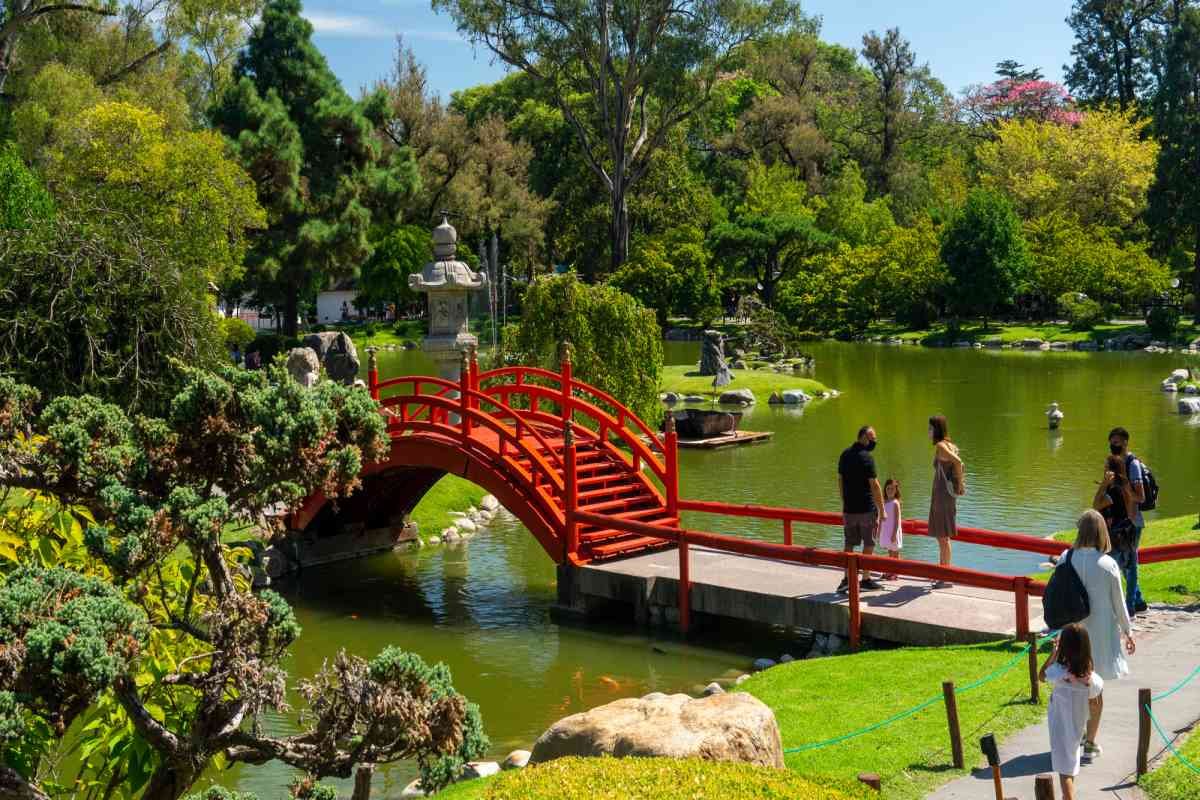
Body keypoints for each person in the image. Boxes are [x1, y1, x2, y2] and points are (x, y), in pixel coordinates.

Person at [1062, 509, 1136, 765]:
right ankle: (1091, 741)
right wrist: (1128, 631)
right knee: (1095, 688)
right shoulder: (1108, 564)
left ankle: (1078, 736)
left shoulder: (1065, 559)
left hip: (1072, 633)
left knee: (1074, 686)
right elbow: (1119, 603)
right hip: (1100, 635)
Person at [1039, 623, 1104, 800]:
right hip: (1077, 724)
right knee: (1070, 760)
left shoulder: (1058, 673)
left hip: (1059, 722)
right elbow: (1096, 697)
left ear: (1064, 647)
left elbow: (1041, 675)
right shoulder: (1091, 679)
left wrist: (1054, 653)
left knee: (1064, 768)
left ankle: (1069, 797)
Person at [837, 425, 884, 594]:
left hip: (849, 510)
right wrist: (882, 511)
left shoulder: (845, 455)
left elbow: (840, 480)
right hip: (866, 510)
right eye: (873, 438)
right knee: (869, 543)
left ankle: (847, 579)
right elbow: (875, 486)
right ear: (864, 437)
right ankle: (865, 578)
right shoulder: (867, 458)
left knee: (849, 544)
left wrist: (844, 502)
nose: (874, 441)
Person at [1107, 427, 1148, 616]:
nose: (1113, 445)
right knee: (1125, 564)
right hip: (1118, 521)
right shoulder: (1113, 462)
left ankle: (1130, 606)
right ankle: (1138, 600)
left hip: (1132, 522)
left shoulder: (1133, 465)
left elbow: (1140, 497)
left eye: (1116, 442)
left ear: (1125, 442)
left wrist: (1124, 486)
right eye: (1111, 442)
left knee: (1130, 565)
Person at [928, 414, 964, 587]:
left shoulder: (942, 446)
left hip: (942, 495)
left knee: (943, 537)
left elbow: (958, 462)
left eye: (930, 428)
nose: (928, 432)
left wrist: (961, 484)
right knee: (942, 536)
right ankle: (942, 571)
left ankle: (946, 575)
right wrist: (959, 486)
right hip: (946, 495)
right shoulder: (952, 445)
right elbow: (959, 465)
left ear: (936, 429)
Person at [1093, 455, 1138, 559]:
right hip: (1123, 535)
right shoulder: (1123, 485)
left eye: (1106, 467)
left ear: (1112, 472)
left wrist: (1103, 484)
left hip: (1114, 539)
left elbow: (1095, 505)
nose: (1104, 470)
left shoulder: (1115, 490)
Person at [879, 479, 903, 580]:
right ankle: (889, 570)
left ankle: (895, 572)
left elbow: (897, 520)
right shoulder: (884, 502)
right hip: (886, 530)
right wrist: (879, 529)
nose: (890, 490)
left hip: (893, 531)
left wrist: (894, 534)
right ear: (885, 489)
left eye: (892, 489)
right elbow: (881, 518)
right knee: (890, 551)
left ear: (896, 490)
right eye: (888, 488)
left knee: (895, 552)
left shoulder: (895, 503)